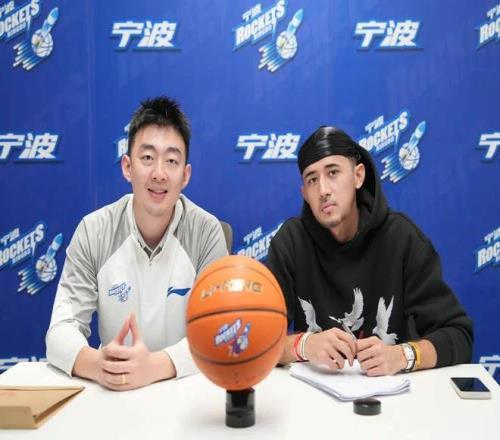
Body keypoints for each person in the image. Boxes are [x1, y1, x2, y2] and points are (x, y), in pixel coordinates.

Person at [46, 96, 227, 390]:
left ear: (185, 175)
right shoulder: (94, 230)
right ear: (127, 167)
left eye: (171, 161)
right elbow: (61, 330)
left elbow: (218, 331)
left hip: (186, 388)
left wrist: (153, 367)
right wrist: (100, 366)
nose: (159, 173)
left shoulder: (206, 232)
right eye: (147, 158)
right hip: (114, 389)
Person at [266, 126, 473, 376]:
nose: (323, 190)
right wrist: (302, 345)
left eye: (333, 172)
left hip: (391, 394)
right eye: (312, 180)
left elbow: (458, 335)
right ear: (305, 194)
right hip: (313, 394)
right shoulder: (291, 242)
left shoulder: (401, 237)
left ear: (358, 176)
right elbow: (256, 342)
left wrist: (403, 355)